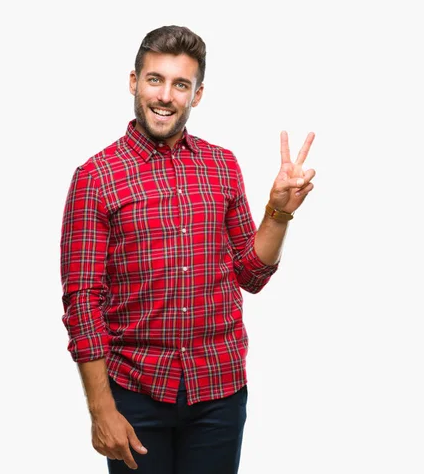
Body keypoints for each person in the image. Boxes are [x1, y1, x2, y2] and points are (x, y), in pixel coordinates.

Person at [60, 25, 316, 474]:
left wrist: (277, 213)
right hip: (135, 393)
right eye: (155, 79)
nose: (165, 95)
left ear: (196, 96)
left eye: (181, 84)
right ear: (134, 82)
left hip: (218, 390)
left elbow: (250, 275)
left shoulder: (222, 165)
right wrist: (101, 410)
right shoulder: (96, 177)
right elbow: (82, 301)